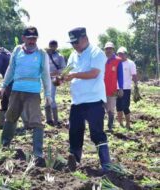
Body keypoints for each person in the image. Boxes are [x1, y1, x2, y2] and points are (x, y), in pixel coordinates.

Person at [0, 26, 51, 161]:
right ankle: (4, 144)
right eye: (29, 39)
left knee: (36, 120)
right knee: (10, 116)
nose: (32, 41)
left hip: (33, 92)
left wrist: (48, 95)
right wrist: (4, 85)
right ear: (23, 38)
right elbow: (11, 68)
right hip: (16, 89)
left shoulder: (41, 53)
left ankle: (37, 153)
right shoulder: (17, 50)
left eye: (34, 38)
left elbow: (45, 74)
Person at [63, 27, 111, 172]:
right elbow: (69, 73)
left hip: (94, 100)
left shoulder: (97, 53)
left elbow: (94, 73)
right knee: (75, 132)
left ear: (85, 38)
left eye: (76, 42)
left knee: (97, 132)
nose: (74, 45)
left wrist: (74, 75)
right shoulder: (73, 55)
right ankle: (74, 161)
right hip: (77, 101)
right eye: (72, 43)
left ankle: (106, 164)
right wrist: (62, 78)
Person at [104, 42, 123, 132]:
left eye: (110, 48)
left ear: (113, 49)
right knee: (99, 109)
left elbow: (120, 76)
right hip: (100, 89)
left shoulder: (118, 60)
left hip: (112, 89)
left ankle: (110, 126)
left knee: (110, 109)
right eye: (107, 49)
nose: (108, 50)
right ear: (104, 50)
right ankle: (99, 126)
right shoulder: (101, 59)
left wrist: (121, 88)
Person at [45, 40, 66, 126]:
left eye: (54, 46)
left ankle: (56, 120)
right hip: (45, 79)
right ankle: (48, 119)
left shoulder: (59, 56)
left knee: (52, 97)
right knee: (46, 97)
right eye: (51, 46)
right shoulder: (45, 55)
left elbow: (63, 69)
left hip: (54, 79)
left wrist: (54, 73)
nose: (52, 48)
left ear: (56, 46)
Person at [116, 46, 137, 129]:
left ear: (126, 54)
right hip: (117, 88)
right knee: (118, 106)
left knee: (125, 106)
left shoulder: (131, 63)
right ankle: (120, 123)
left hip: (126, 88)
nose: (120, 56)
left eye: (122, 54)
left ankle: (128, 123)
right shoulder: (116, 63)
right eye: (119, 54)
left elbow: (134, 75)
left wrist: (136, 85)